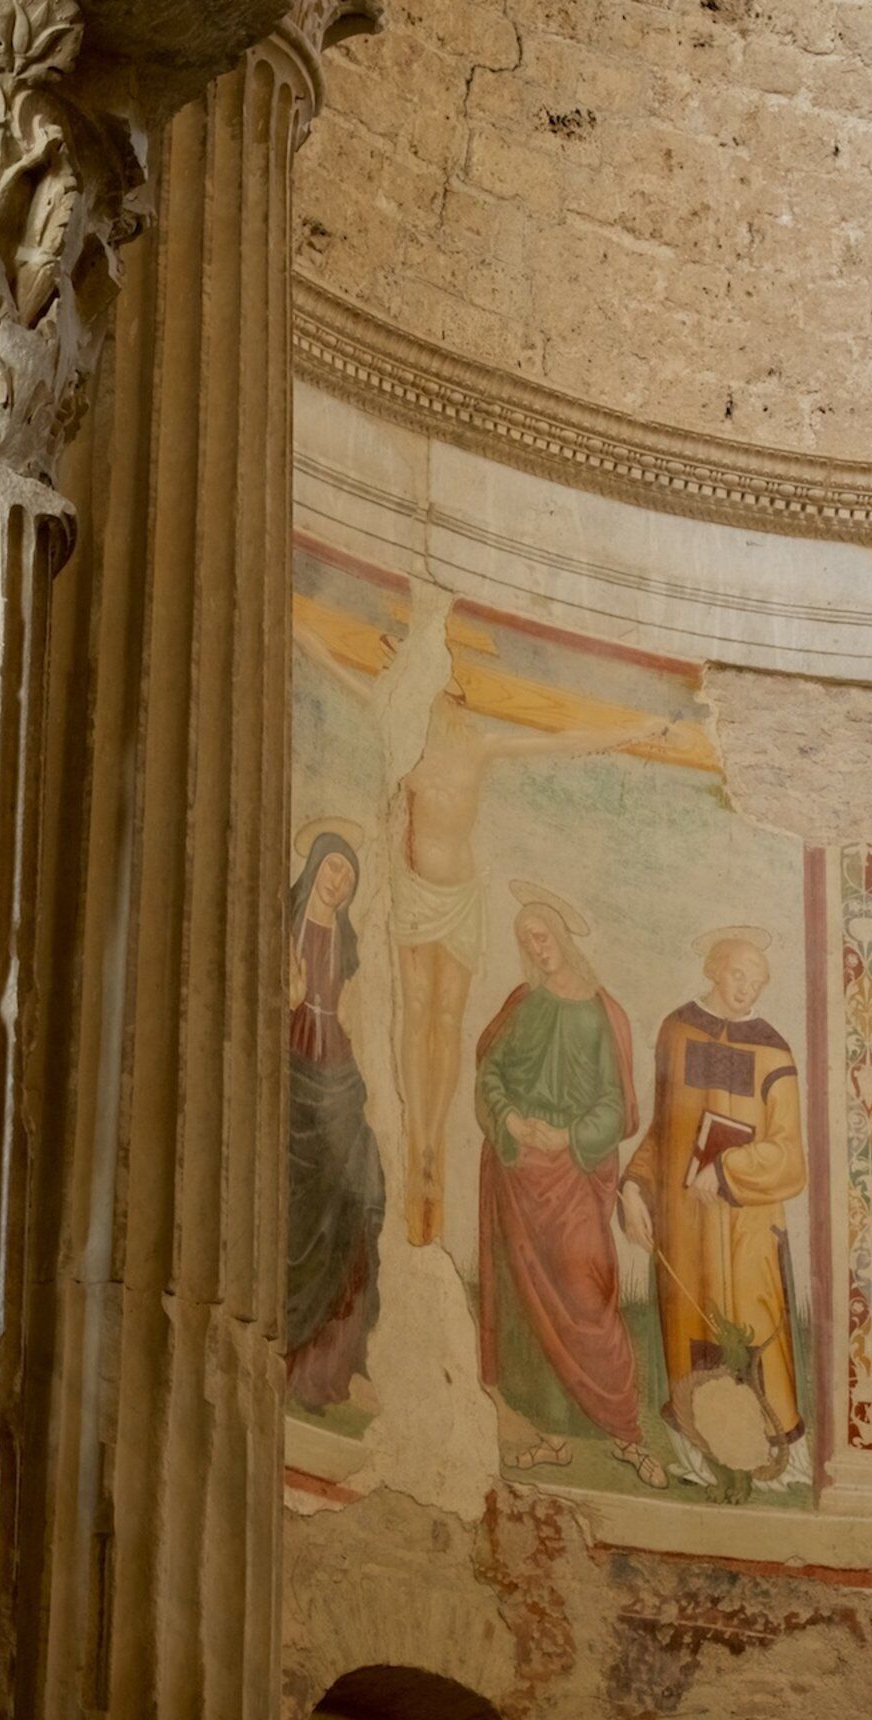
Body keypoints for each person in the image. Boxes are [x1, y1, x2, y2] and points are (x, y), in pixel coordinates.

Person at [297, 577, 668, 1248]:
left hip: (460, 895)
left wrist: (638, 727)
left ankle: (435, 1127)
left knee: (445, 1016)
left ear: (454, 686)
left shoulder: (479, 743)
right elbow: (329, 665)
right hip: (411, 890)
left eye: (436, 674)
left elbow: (557, 741)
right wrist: (288, 619)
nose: (426, 684)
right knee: (414, 1012)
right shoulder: (397, 722)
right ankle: (422, 1141)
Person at [472, 886, 682, 1486]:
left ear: (563, 937)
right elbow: (491, 1071)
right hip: (517, 1170)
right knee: (523, 1301)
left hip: (571, 1172)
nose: (537, 948)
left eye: (544, 935)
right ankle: (551, 1436)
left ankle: (625, 1432)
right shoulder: (522, 1003)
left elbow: (616, 1107)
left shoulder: (600, 1011)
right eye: (526, 940)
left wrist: (565, 1139)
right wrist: (511, 1120)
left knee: (586, 1293)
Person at [627, 928, 808, 1490]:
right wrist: (633, 1186)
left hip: (747, 1226)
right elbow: (666, 1126)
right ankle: (700, 1455)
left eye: (757, 981)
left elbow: (789, 1155)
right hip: (685, 1224)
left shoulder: (773, 1049)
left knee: (753, 1334)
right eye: (737, 974)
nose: (746, 988)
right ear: (713, 968)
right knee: (690, 1334)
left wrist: (726, 1171)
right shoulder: (678, 1031)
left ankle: (772, 1458)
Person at [284, 824, 384, 1417]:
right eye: (331, 866)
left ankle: (333, 1361)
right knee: (300, 1210)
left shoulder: (351, 944)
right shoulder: (287, 925)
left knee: (360, 1192)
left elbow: (358, 1009)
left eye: (348, 872)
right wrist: (292, 998)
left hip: (338, 1067)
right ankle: (288, 1348)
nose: (338, 878)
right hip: (295, 1055)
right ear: (315, 866)